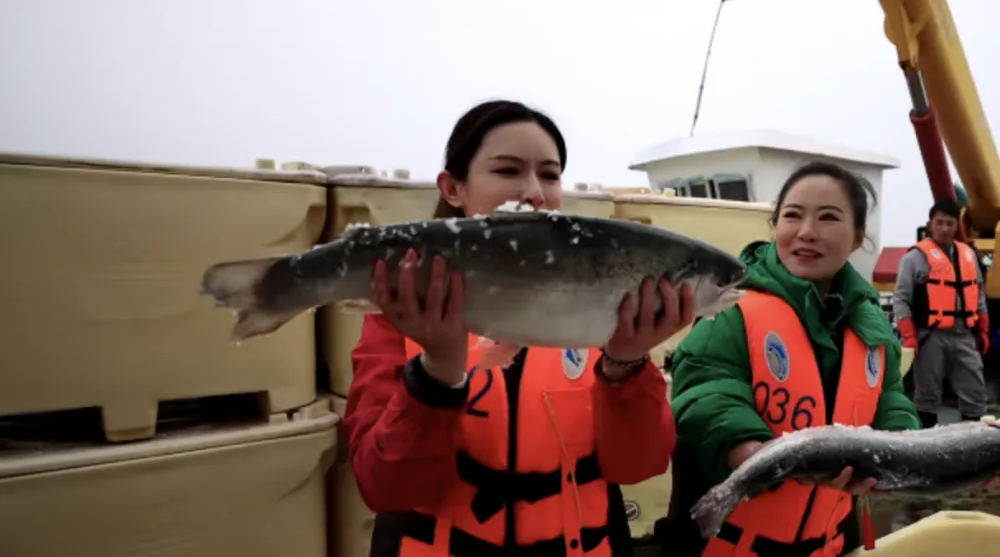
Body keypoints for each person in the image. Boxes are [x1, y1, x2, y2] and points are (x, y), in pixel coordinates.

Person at [343, 99, 693, 557]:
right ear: (453, 187)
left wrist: (626, 365)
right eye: (509, 171)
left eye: (549, 175)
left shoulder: (606, 308)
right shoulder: (401, 311)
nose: (535, 192)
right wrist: (437, 373)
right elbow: (384, 485)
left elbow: (638, 465)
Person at [663, 160, 920, 557]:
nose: (806, 233)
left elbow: (891, 402)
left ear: (857, 238)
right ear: (775, 225)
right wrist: (747, 452)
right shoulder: (735, 306)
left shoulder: (871, 328)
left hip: (828, 546)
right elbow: (706, 389)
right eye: (792, 216)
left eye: (828, 218)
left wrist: (897, 458)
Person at [893, 198, 990, 428]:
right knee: (927, 396)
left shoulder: (968, 254)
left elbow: (978, 294)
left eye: (950, 223)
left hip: (964, 334)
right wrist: (909, 336)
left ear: (957, 225)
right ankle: (925, 447)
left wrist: (984, 328)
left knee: (975, 394)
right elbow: (901, 298)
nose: (945, 228)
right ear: (930, 224)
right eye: (940, 223)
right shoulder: (914, 258)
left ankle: (972, 448)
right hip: (931, 336)